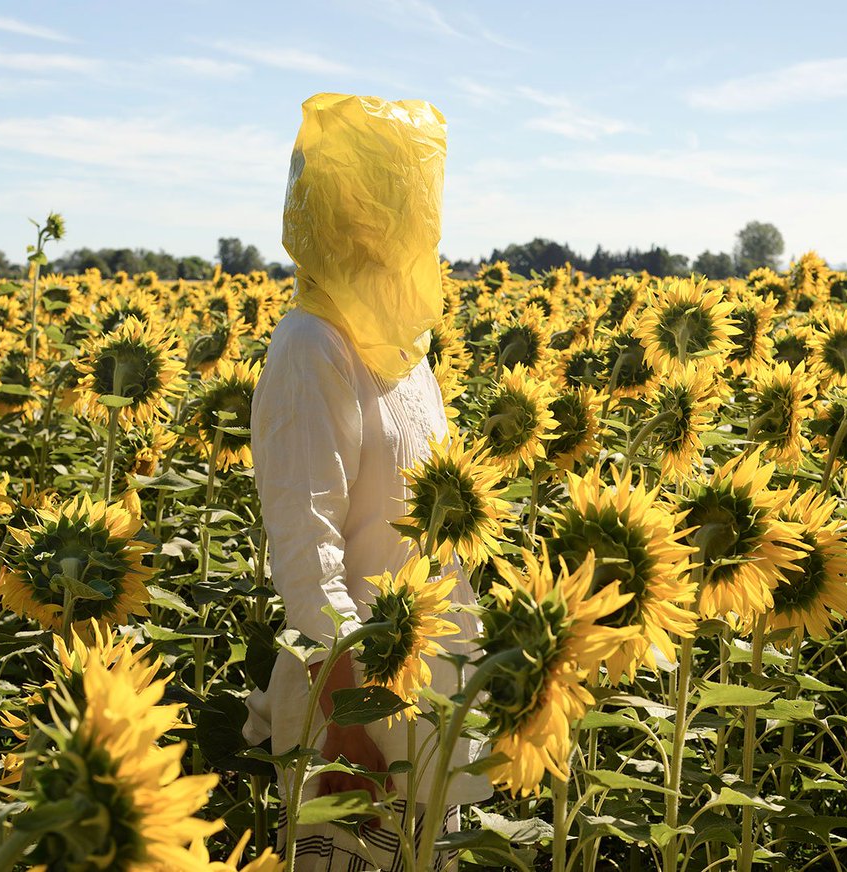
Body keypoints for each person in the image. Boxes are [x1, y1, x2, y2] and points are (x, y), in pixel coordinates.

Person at [243, 93, 491, 872]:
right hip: (353, 712)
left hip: (432, 702)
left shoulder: (405, 347)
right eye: (386, 200)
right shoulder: (311, 344)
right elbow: (305, 546)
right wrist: (346, 721)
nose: (403, 220)